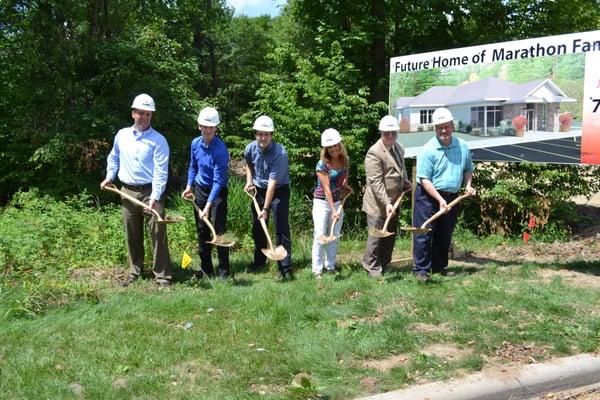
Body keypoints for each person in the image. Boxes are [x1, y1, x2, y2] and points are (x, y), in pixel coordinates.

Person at [101, 93, 172, 287]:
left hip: (151, 191)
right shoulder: (122, 135)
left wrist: (155, 197)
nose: (144, 117)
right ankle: (134, 271)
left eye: (148, 114)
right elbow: (113, 158)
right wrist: (109, 177)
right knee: (132, 233)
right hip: (127, 192)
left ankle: (163, 275)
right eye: (141, 113)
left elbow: (161, 171)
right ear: (133, 113)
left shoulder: (159, 140)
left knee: (158, 232)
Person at [412, 107, 476, 282]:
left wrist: (468, 186)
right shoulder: (428, 149)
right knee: (424, 232)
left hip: (452, 197)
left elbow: (468, 169)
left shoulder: (462, 146)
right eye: (440, 127)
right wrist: (439, 200)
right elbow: (424, 179)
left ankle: (439, 266)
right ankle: (421, 270)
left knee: (444, 233)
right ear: (435, 129)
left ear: (452, 126)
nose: (444, 130)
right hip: (428, 196)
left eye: (446, 126)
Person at [182, 107, 230, 280]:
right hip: (200, 190)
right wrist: (189, 186)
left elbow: (218, 181)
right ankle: (206, 269)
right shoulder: (195, 143)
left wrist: (208, 206)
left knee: (218, 231)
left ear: (216, 128)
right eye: (205, 126)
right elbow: (193, 167)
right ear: (199, 126)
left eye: (211, 127)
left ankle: (224, 271)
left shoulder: (221, 150)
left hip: (217, 193)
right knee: (202, 230)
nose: (208, 130)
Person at [243, 115, 293, 280]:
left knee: (281, 228)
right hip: (258, 189)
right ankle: (259, 261)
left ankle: (285, 267)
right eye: (260, 134)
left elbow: (272, 184)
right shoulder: (250, 148)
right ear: (255, 134)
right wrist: (249, 182)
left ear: (271, 135)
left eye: (266, 134)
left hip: (278, 190)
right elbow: (248, 164)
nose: (263, 137)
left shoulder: (280, 153)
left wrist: (265, 209)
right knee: (258, 226)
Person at [362, 116, 411, 277]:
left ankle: (384, 262)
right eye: (386, 133)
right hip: (378, 203)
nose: (390, 136)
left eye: (393, 133)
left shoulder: (399, 147)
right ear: (381, 133)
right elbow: (375, 182)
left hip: (394, 201)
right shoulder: (374, 152)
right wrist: (386, 202)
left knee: (389, 235)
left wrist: (405, 182)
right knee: (375, 237)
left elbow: (399, 169)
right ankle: (371, 267)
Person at [311, 128, 351, 278]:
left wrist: (346, 187)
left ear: (340, 144)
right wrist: (333, 210)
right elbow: (327, 189)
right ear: (326, 148)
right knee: (320, 235)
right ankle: (317, 270)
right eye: (330, 146)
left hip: (337, 202)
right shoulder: (322, 165)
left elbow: (343, 179)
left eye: (336, 145)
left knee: (335, 235)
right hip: (322, 202)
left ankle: (331, 265)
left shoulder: (345, 160)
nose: (334, 149)